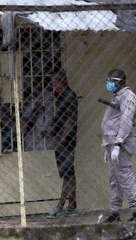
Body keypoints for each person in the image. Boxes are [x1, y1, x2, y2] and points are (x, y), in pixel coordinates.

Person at [101, 69, 136, 223]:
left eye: (110, 81)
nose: (108, 83)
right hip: (112, 143)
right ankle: (115, 212)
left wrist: (118, 144)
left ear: (119, 82)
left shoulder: (128, 97)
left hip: (122, 143)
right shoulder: (118, 96)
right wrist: (109, 146)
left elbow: (126, 121)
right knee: (115, 179)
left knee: (125, 176)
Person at [48, 69, 79, 217]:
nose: (54, 85)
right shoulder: (59, 97)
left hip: (66, 140)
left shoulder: (69, 96)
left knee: (67, 173)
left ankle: (60, 206)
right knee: (69, 172)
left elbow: (70, 119)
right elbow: (59, 118)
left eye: (56, 82)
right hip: (61, 138)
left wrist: (62, 138)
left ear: (63, 82)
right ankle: (72, 205)